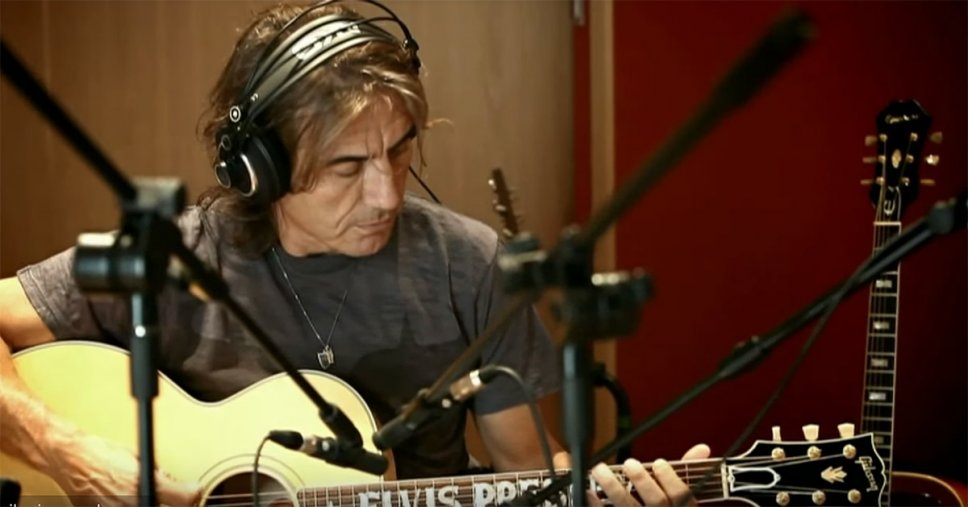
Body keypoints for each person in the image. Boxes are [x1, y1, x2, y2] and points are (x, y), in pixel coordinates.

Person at [0, 2, 708, 506]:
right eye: (347, 166)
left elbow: (529, 472)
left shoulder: (470, 264)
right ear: (260, 170)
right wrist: (69, 454)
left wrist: (606, 495)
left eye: (399, 151)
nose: (386, 194)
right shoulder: (177, 259)